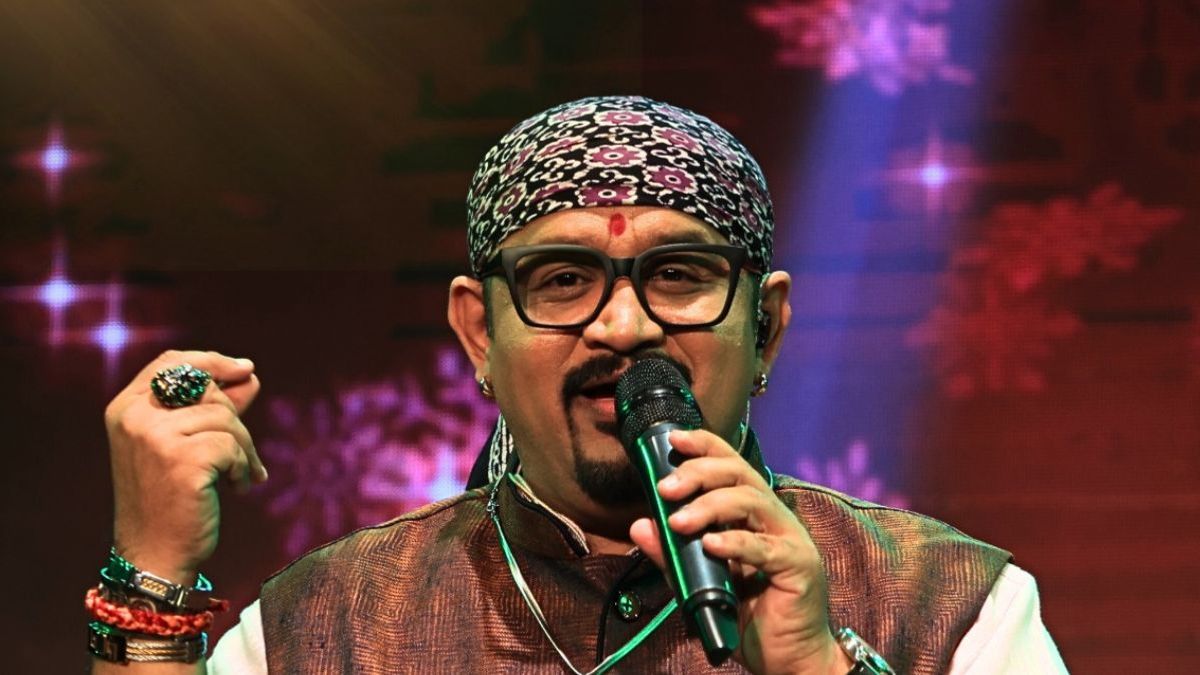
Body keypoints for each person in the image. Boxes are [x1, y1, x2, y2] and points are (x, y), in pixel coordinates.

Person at [91, 96, 1067, 674]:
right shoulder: (326, 622)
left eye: (679, 274)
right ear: (480, 331)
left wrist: (814, 663)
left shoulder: (951, 604)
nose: (625, 325)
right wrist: (154, 571)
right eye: (563, 280)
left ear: (765, 325)